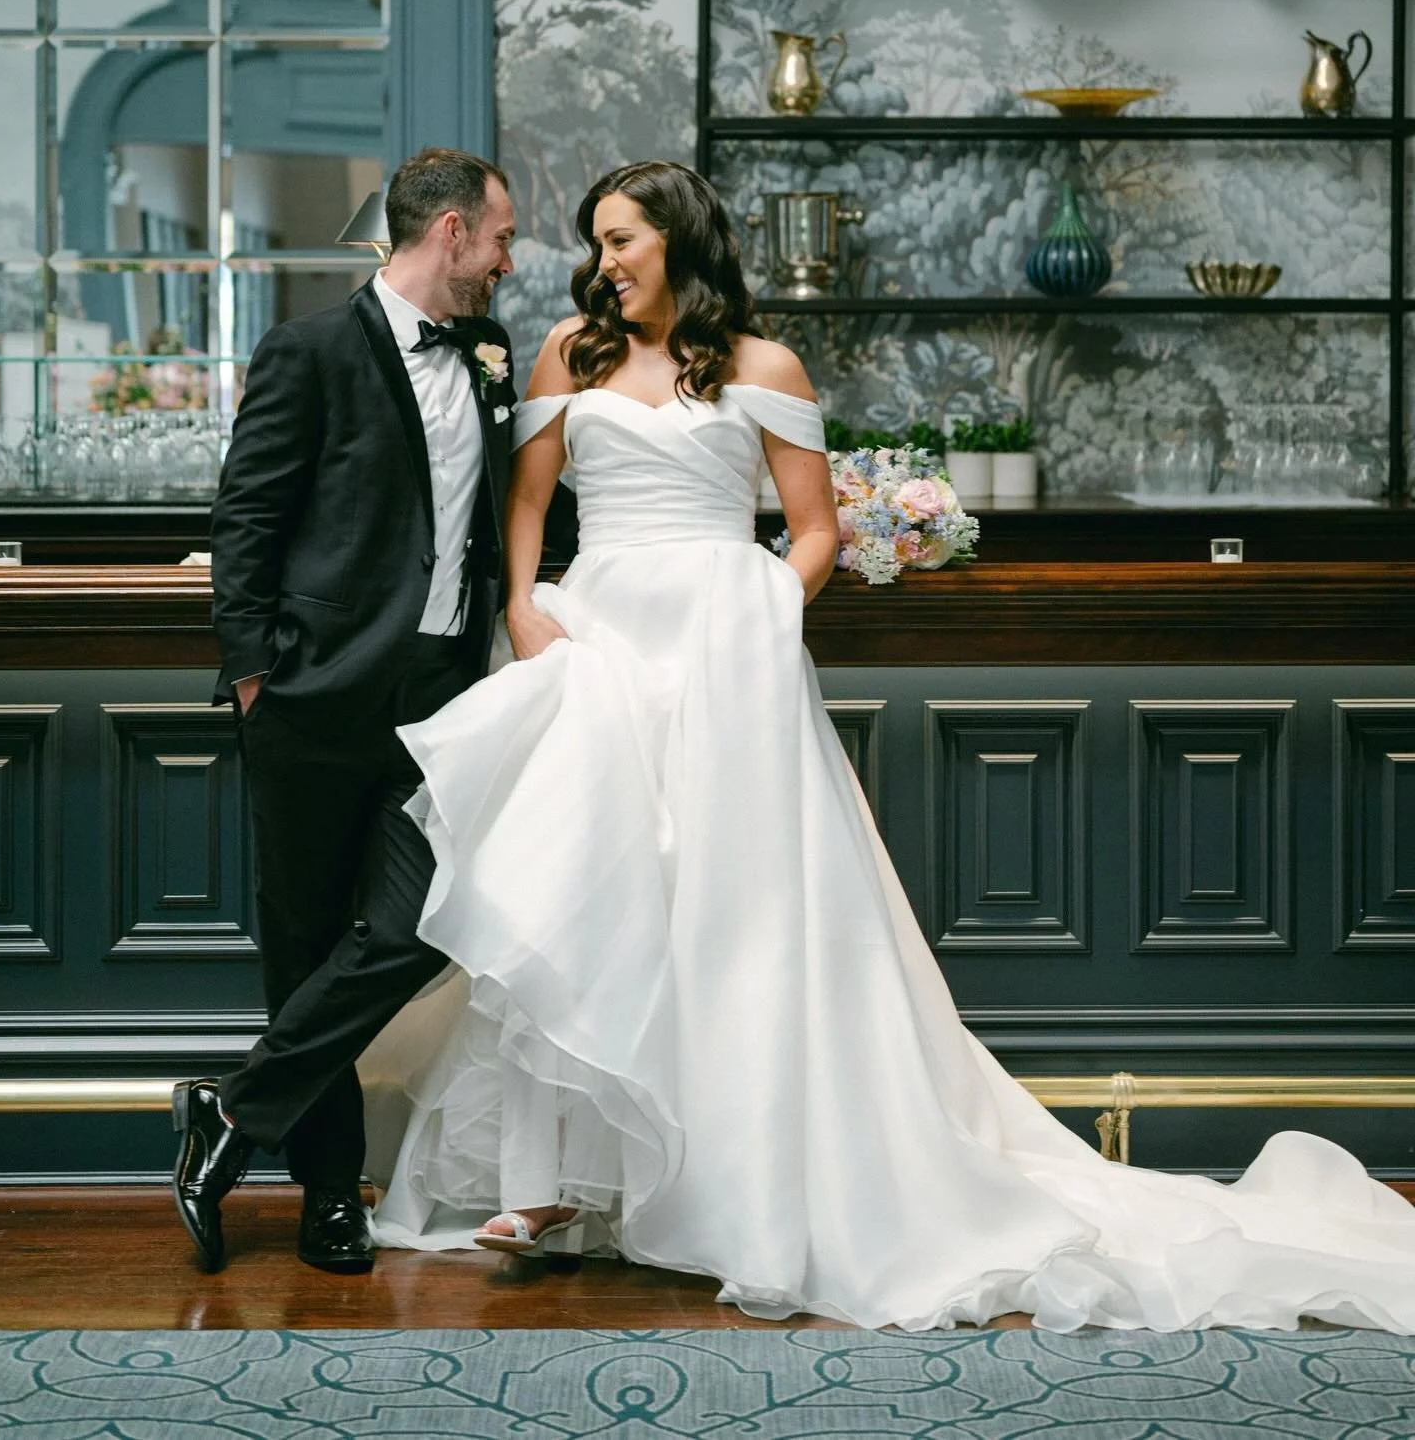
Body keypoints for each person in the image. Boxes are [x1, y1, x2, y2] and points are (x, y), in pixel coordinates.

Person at [366, 159, 1415, 1331]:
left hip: (726, 652)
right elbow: (525, 506)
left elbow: (811, 531)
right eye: (597, 243)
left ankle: (732, 1184)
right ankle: (544, 1186)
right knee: (572, 897)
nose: (603, 262)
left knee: (733, 919)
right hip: (597, 641)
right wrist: (524, 608)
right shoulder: (570, 352)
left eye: (623, 241)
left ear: (681, 240)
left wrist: (760, 613)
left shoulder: (765, 368)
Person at [173, 147, 518, 1276]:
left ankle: (229, 1114)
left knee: (421, 923)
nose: (511, 259)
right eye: (502, 237)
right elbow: (248, 520)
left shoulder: (490, 362)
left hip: (446, 705)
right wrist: (259, 674)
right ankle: (330, 1195)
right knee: (308, 943)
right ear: (452, 233)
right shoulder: (309, 349)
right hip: (313, 702)